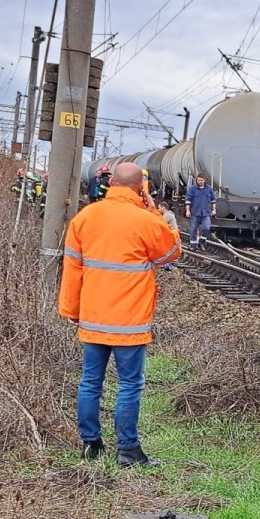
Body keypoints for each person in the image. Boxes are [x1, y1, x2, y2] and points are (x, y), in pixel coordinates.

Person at [58, 163, 181, 467]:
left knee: (89, 382)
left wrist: (71, 310)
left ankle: (91, 444)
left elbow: (72, 269)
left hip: (93, 315)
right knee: (129, 383)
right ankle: (127, 449)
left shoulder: (85, 218)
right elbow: (171, 252)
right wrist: (153, 210)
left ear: (111, 182)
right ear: (141, 188)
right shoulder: (144, 220)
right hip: (129, 319)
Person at [184, 174, 216, 250]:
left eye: (201, 180)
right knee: (193, 229)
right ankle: (193, 246)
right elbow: (188, 201)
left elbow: (213, 200)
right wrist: (187, 211)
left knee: (206, 228)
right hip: (195, 212)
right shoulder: (192, 189)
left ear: (204, 180)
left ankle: (202, 241)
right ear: (196, 180)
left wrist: (214, 209)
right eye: (199, 180)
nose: (200, 182)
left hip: (206, 213)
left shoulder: (209, 189)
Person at [158, 201, 178, 270]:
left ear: (163, 208)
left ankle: (168, 265)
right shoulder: (169, 214)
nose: (158, 210)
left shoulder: (167, 215)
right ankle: (168, 264)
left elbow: (159, 224)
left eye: (159, 208)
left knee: (165, 250)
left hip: (171, 236)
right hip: (172, 235)